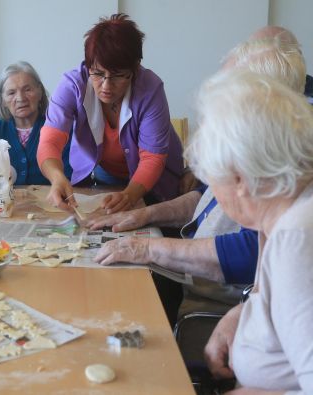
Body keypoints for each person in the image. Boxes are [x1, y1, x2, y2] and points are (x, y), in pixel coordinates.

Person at [87, 28, 306, 318]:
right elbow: (204, 197)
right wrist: (144, 215)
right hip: (196, 283)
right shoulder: (254, 145)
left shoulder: (286, 163)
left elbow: (254, 251)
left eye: (231, 90)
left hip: (210, 303)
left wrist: (150, 249)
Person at [193, 70, 313, 394]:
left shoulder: (297, 239)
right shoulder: (289, 215)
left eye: (213, 180)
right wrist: (244, 314)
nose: (215, 196)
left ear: (240, 180)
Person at [37, 13, 183, 214]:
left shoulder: (150, 89)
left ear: (134, 69)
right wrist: (57, 177)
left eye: (117, 76)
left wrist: (129, 195)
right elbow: (49, 141)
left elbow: (152, 158)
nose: (106, 85)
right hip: (105, 175)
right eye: (97, 73)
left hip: (155, 180)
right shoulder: (72, 85)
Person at [0, 61, 72, 185]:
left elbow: (71, 177)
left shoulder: (58, 128)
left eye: (27, 89)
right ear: (3, 100)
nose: (20, 98)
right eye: (11, 93)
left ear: (40, 92)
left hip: (50, 202)